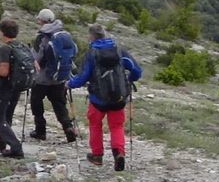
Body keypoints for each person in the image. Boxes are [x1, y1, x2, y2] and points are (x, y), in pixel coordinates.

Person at [67, 23, 142, 171]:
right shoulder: (120, 51)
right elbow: (137, 71)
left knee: (95, 125)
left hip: (98, 99)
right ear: (105, 35)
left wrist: (69, 84)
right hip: (118, 98)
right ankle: (119, 153)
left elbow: (82, 78)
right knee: (116, 126)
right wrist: (129, 79)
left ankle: (97, 156)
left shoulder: (91, 54)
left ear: (91, 37)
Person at [30, 9, 81, 143]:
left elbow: (37, 57)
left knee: (36, 103)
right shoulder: (64, 34)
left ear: (42, 20)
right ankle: (68, 127)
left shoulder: (42, 36)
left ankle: (40, 131)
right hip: (60, 78)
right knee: (59, 104)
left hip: (42, 78)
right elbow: (73, 51)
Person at [0, 19, 31, 158]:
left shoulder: (5, 48)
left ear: (3, 33)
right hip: (17, 86)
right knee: (7, 116)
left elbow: (4, 71)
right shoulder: (22, 46)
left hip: (5, 86)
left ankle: (16, 147)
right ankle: (1, 142)